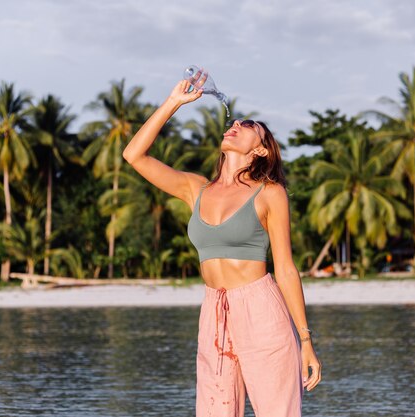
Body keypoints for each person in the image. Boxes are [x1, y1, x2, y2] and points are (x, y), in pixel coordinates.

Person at [123, 78, 322, 416]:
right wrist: (174, 102)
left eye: (247, 126)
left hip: (261, 309)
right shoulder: (195, 189)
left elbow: (286, 268)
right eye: (234, 122)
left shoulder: (269, 192)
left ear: (260, 149)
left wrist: (305, 340)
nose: (235, 125)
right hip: (214, 311)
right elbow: (133, 155)